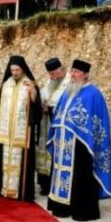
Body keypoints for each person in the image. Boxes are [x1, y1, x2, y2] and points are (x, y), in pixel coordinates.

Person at [46, 59, 111, 220]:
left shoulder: (93, 93)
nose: (73, 75)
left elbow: (98, 122)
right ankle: (61, 207)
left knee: (80, 175)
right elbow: (59, 113)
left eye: (76, 72)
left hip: (82, 144)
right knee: (60, 172)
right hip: (63, 141)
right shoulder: (68, 91)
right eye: (72, 72)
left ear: (85, 75)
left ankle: (82, 209)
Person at [0, 55, 41, 201]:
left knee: (22, 161)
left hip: (22, 130)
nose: (14, 72)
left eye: (17, 70)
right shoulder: (6, 84)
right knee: (4, 161)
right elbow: (1, 108)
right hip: (7, 131)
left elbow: (36, 108)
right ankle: (3, 189)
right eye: (12, 70)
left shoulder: (29, 83)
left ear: (23, 69)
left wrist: (33, 94)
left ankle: (22, 192)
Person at [36, 58, 71, 194]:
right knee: (44, 151)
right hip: (46, 124)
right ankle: (45, 184)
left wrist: (49, 109)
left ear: (61, 70)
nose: (52, 77)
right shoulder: (50, 82)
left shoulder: (69, 83)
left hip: (59, 126)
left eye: (54, 74)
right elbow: (44, 95)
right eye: (50, 74)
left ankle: (56, 184)